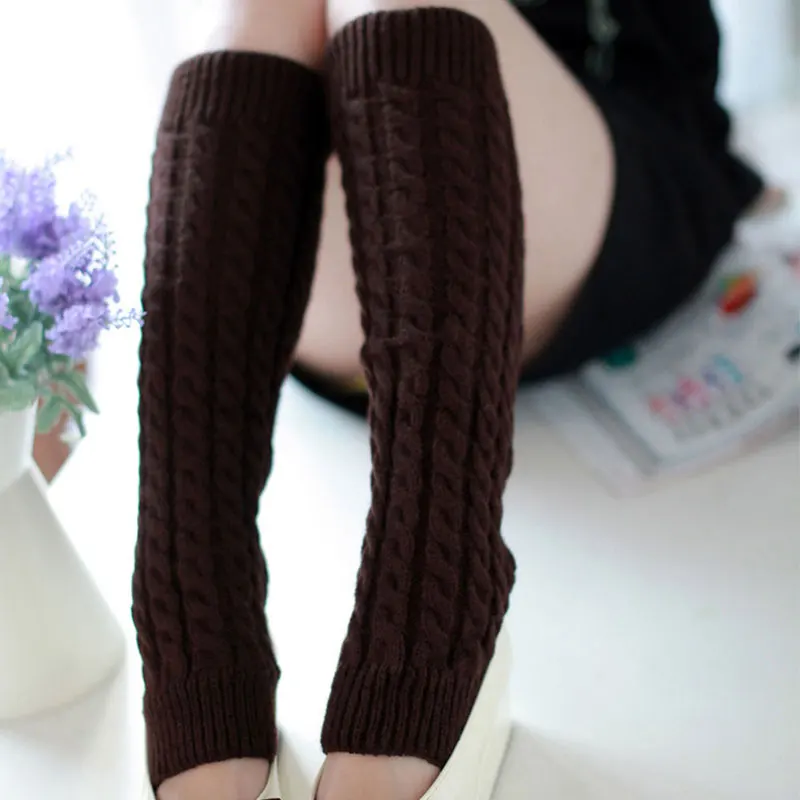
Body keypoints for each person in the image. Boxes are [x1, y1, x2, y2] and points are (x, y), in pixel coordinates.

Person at [133, 1, 768, 799]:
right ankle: (194, 635)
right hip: (370, 236)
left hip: (602, 155)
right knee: (260, 12)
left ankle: (428, 609)